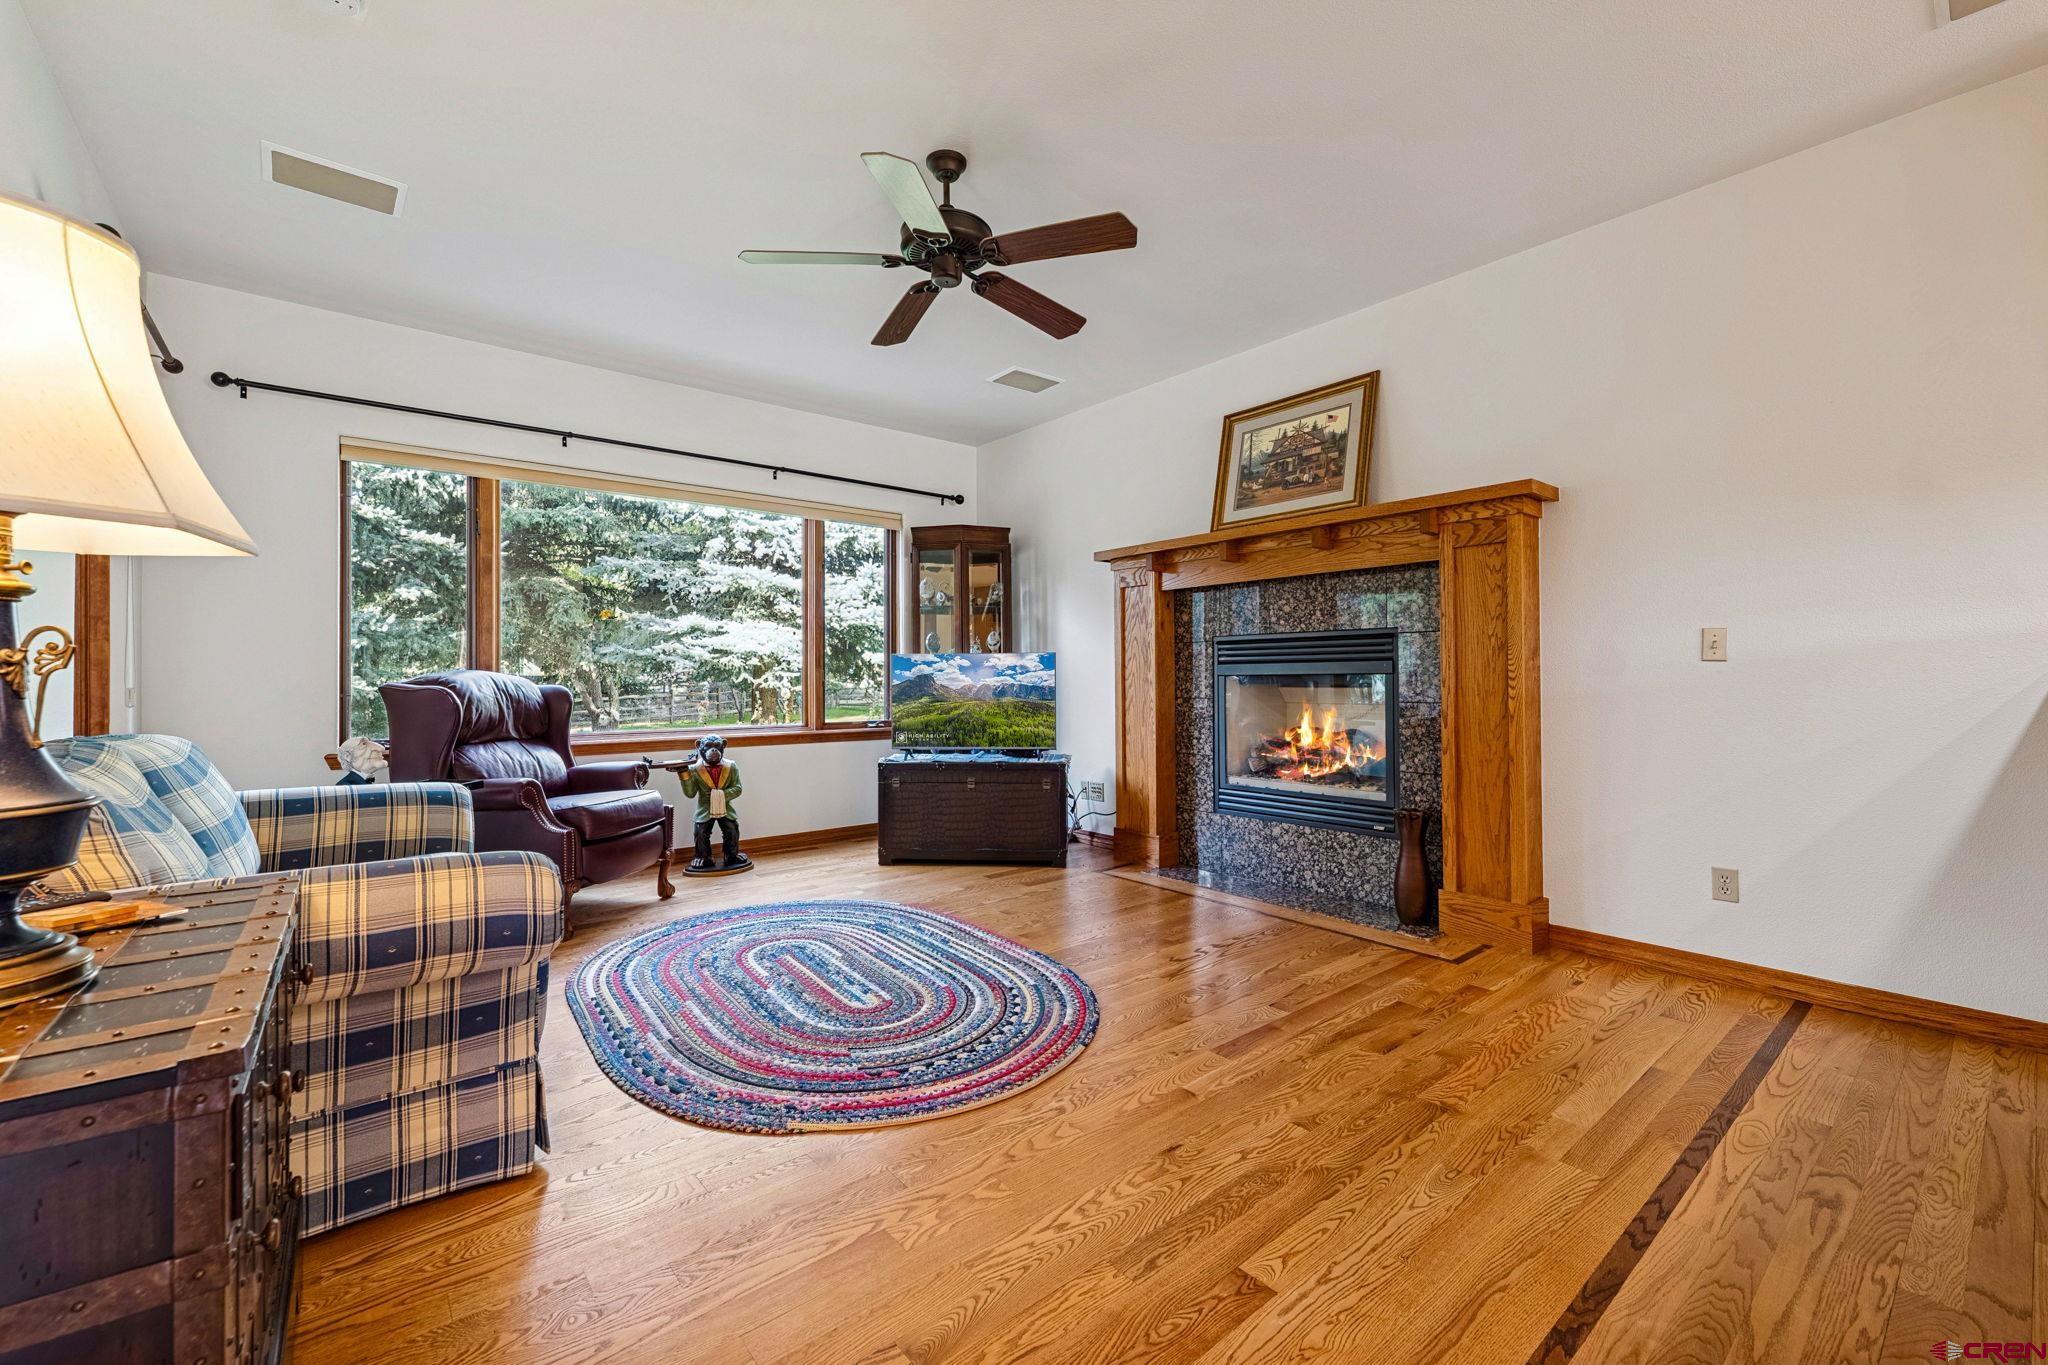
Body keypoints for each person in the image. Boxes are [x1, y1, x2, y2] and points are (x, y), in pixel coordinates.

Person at [678, 733, 749, 872]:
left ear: (724, 746)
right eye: (709, 747)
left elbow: (738, 789)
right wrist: (683, 774)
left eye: (717, 747)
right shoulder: (694, 768)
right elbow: (690, 793)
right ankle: (703, 856)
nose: (714, 750)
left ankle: (731, 855)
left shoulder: (731, 766)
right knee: (701, 832)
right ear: (699, 746)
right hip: (705, 808)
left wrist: (721, 795)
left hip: (725, 807)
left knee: (732, 830)